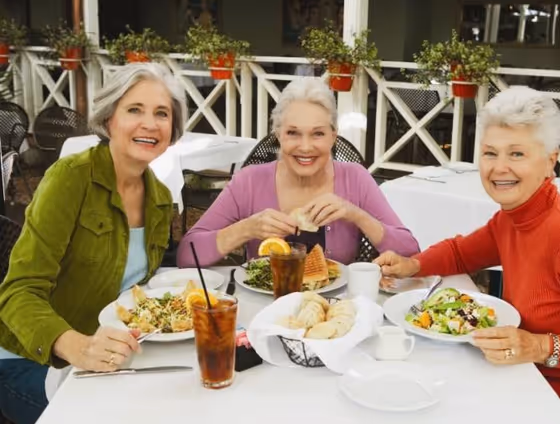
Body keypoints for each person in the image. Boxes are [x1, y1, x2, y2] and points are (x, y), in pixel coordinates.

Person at [374, 86, 560, 423]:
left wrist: (539, 346)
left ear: (550, 161)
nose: (499, 168)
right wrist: (412, 264)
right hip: (529, 380)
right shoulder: (515, 216)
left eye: (517, 154)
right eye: (490, 153)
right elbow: (461, 253)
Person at [0, 62, 187, 424]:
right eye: (135, 109)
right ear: (109, 119)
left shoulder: (161, 198)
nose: (150, 123)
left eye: (161, 113)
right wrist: (78, 346)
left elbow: (139, 291)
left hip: (110, 356)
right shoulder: (71, 178)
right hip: (29, 360)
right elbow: (19, 291)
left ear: (172, 130)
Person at [177, 77, 419, 267]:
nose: (305, 147)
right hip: (261, 312)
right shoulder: (249, 181)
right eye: (293, 133)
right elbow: (187, 254)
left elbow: (410, 252)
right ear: (278, 135)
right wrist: (246, 229)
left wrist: (356, 214)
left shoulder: (355, 178)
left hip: (332, 316)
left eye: (318, 134)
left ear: (333, 137)